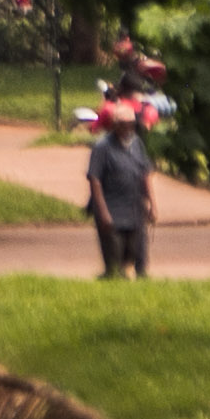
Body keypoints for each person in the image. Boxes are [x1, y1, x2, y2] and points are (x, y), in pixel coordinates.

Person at [82, 49, 161, 283]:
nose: (128, 129)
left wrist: (152, 204)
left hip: (134, 209)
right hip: (112, 210)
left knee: (138, 261)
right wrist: (103, 211)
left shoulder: (136, 143)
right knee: (114, 264)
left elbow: (145, 173)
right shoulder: (103, 148)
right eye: (124, 125)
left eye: (131, 124)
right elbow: (94, 180)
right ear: (115, 125)